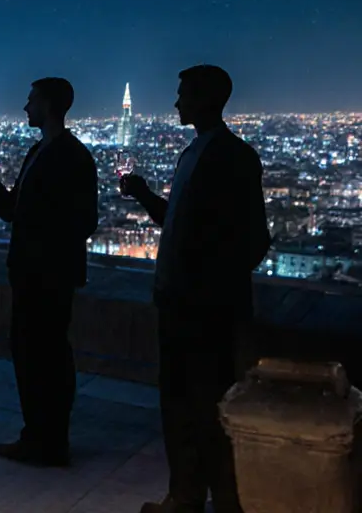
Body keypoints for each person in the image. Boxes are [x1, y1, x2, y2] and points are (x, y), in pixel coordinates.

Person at [121, 65, 270, 513]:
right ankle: (188, 495)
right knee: (187, 405)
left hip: (201, 310)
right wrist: (145, 194)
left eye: (183, 94)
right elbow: (180, 222)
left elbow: (252, 241)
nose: (176, 102)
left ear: (205, 99)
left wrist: (205, 288)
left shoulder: (230, 156)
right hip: (186, 304)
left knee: (197, 406)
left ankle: (200, 497)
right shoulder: (198, 153)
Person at [0, 77, 98, 467]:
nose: (25, 107)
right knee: (36, 353)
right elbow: (13, 208)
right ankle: (42, 435)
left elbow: (83, 220)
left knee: (43, 355)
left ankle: (45, 439)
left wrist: (42, 239)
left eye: (32, 100)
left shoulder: (69, 156)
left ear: (49, 106)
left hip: (46, 273)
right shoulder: (44, 151)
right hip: (35, 271)